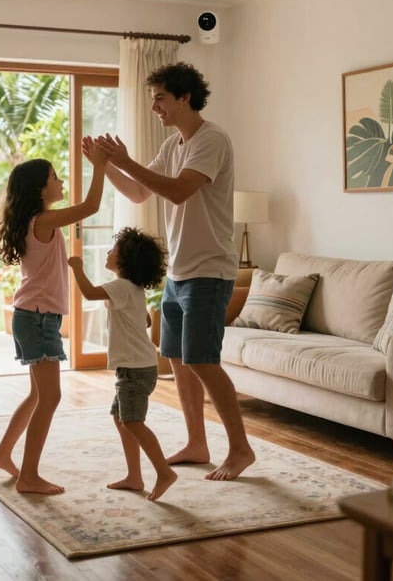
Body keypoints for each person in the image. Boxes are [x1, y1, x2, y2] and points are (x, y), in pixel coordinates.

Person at [96, 62, 255, 481]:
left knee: (203, 360)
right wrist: (105, 164)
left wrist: (126, 159)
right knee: (178, 359)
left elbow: (180, 192)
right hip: (181, 271)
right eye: (152, 98)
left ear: (185, 97)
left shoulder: (212, 140)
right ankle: (198, 442)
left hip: (210, 270)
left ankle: (240, 449)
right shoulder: (173, 146)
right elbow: (138, 190)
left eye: (160, 97)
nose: (154, 107)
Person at [0, 139, 109, 494]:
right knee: (50, 397)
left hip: (36, 316)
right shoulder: (43, 219)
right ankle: (28, 476)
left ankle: (2, 454)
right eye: (55, 177)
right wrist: (100, 165)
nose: (60, 183)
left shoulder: (34, 220)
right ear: (40, 189)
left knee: (37, 394)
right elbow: (91, 205)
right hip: (38, 318)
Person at [68, 227, 177, 501]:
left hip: (134, 370)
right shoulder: (132, 289)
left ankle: (164, 472)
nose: (107, 252)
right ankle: (134, 476)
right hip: (136, 367)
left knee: (133, 421)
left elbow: (90, 293)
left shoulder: (120, 287)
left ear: (125, 260)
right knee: (121, 419)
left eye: (113, 250)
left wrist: (77, 268)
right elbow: (141, 320)